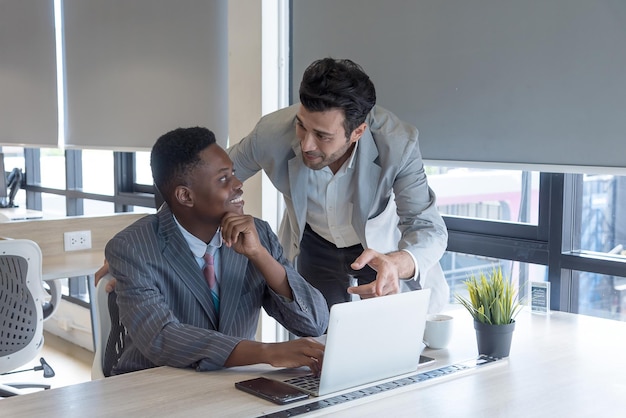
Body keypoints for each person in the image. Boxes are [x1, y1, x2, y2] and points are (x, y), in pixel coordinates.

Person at [227, 58, 449, 312]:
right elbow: (214, 177)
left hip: (376, 250)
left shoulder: (399, 143)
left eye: (322, 136)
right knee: (316, 338)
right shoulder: (270, 133)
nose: (306, 145)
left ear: (358, 132)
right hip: (313, 242)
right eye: (301, 126)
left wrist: (396, 264)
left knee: (385, 335)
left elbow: (428, 227)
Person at [104, 127, 328, 375]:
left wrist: (260, 256)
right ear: (185, 196)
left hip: (232, 386)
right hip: (155, 386)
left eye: (233, 173)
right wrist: (268, 352)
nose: (238, 184)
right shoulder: (132, 248)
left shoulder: (258, 234)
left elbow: (315, 323)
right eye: (224, 179)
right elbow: (161, 337)